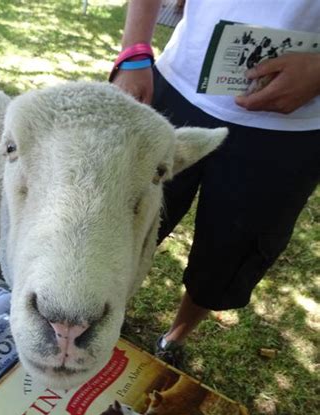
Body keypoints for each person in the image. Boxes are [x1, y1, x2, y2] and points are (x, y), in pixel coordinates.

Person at [111, 0, 320, 368]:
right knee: (119, 224)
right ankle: (104, 313)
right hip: (177, 86)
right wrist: (134, 53)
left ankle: (174, 338)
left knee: (229, 255)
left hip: (292, 128)